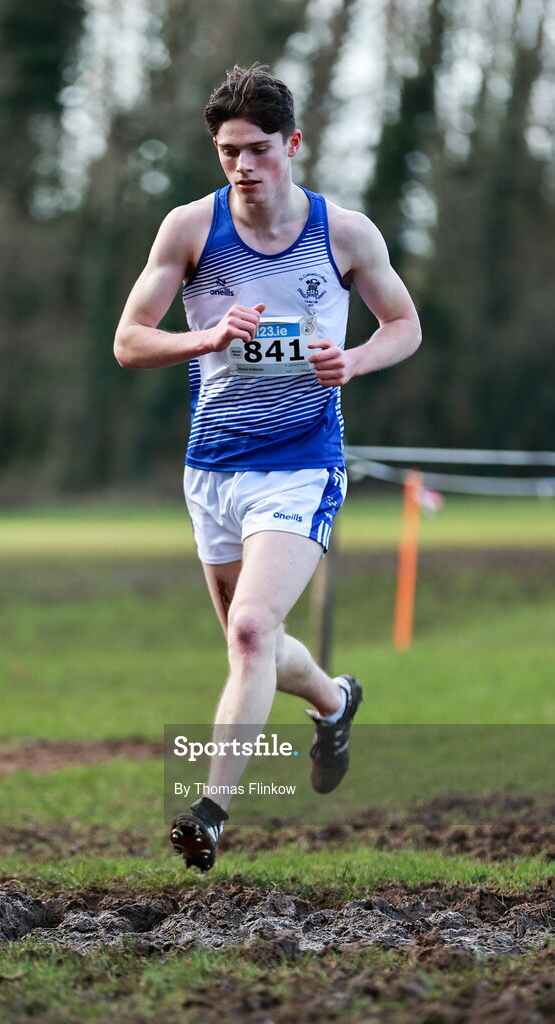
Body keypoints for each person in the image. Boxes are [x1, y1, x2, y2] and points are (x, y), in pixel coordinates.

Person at [114, 64, 421, 871]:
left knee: (251, 631)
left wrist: (353, 361)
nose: (242, 167)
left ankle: (209, 813)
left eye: (256, 150)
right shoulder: (189, 228)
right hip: (213, 469)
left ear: (293, 144)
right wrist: (206, 338)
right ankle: (335, 699)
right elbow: (129, 340)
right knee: (254, 645)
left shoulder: (345, 233)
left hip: (300, 464)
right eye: (226, 153)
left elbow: (404, 324)